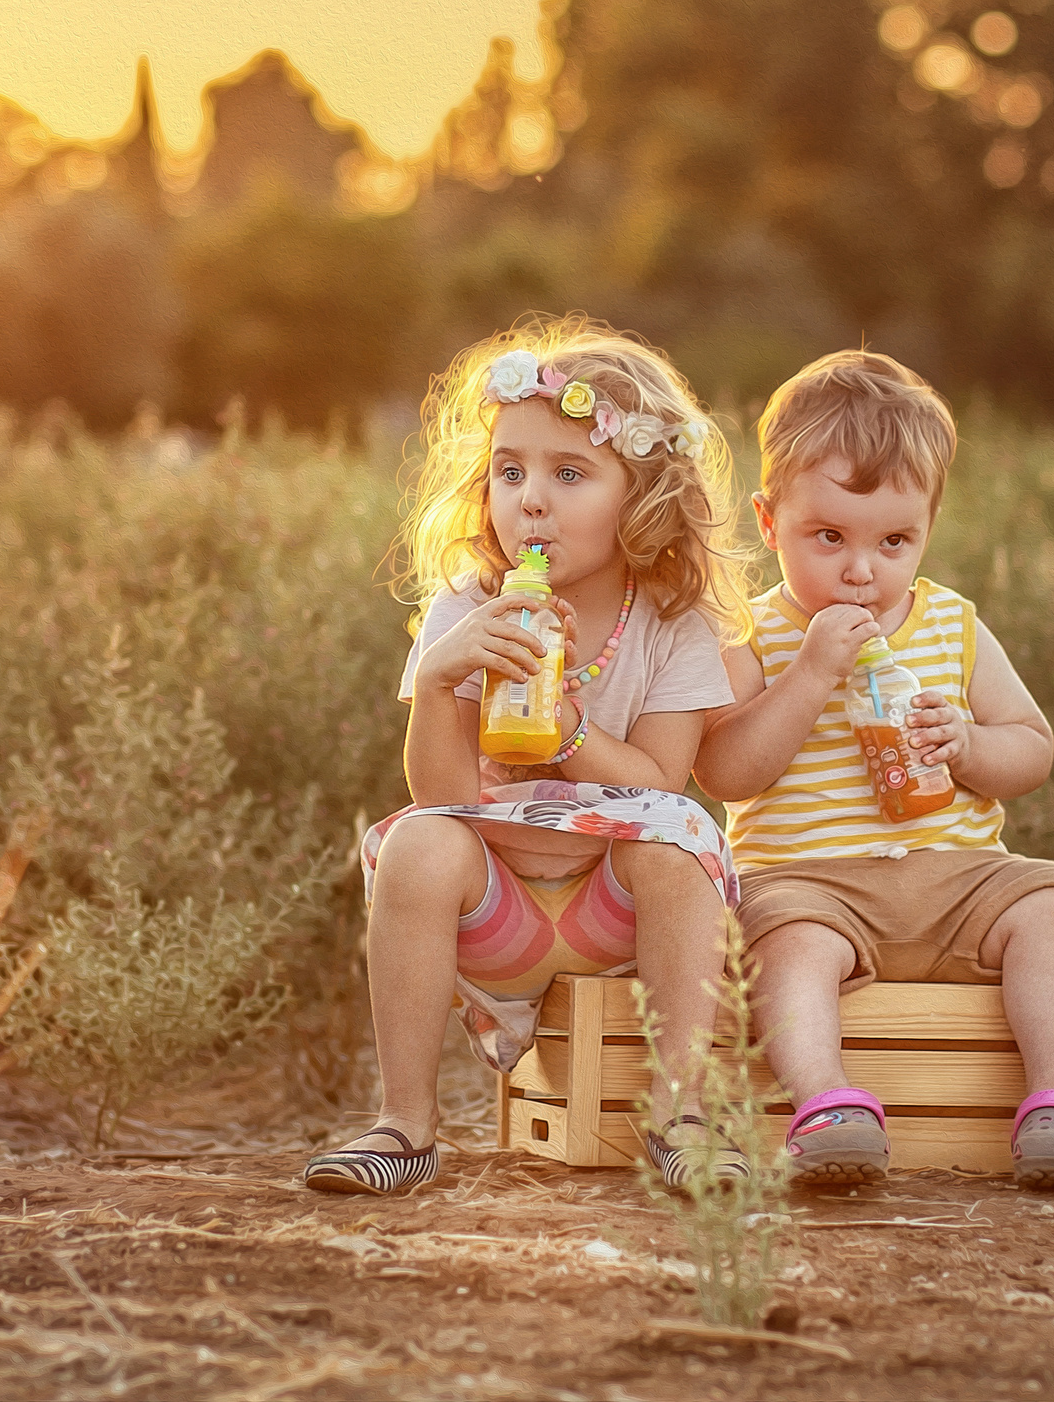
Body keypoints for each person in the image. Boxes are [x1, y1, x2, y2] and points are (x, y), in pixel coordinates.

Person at [303, 317, 750, 1196]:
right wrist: (438, 682)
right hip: (497, 912)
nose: (529, 500)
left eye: (569, 473)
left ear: (643, 495)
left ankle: (683, 1117)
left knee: (679, 841)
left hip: (611, 917)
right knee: (418, 842)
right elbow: (440, 795)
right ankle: (406, 1125)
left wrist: (572, 740)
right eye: (510, 471)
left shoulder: (669, 622)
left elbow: (663, 783)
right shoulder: (472, 605)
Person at [693, 350, 1054, 1193]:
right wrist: (808, 675)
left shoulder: (951, 623)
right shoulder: (755, 631)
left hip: (959, 878)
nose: (861, 569)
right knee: (785, 947)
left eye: (894, 541)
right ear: (769, 523)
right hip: (813, 883)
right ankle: (827, 1106)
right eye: (829, 538)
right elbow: (724, 770)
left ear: (928, 528)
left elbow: (1031, 746)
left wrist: (966, 742)